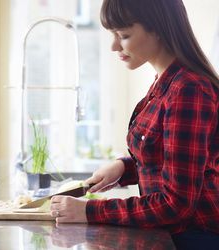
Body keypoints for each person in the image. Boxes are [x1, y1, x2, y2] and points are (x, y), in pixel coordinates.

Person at [49, 0, 219, 249]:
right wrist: (124, 168)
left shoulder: (188, 90)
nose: (114, 46)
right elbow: (171, 162)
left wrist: (89, 211)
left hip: (195, 238)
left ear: (159, 28)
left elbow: (176, 205)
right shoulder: (166, 83)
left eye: (124, 35)